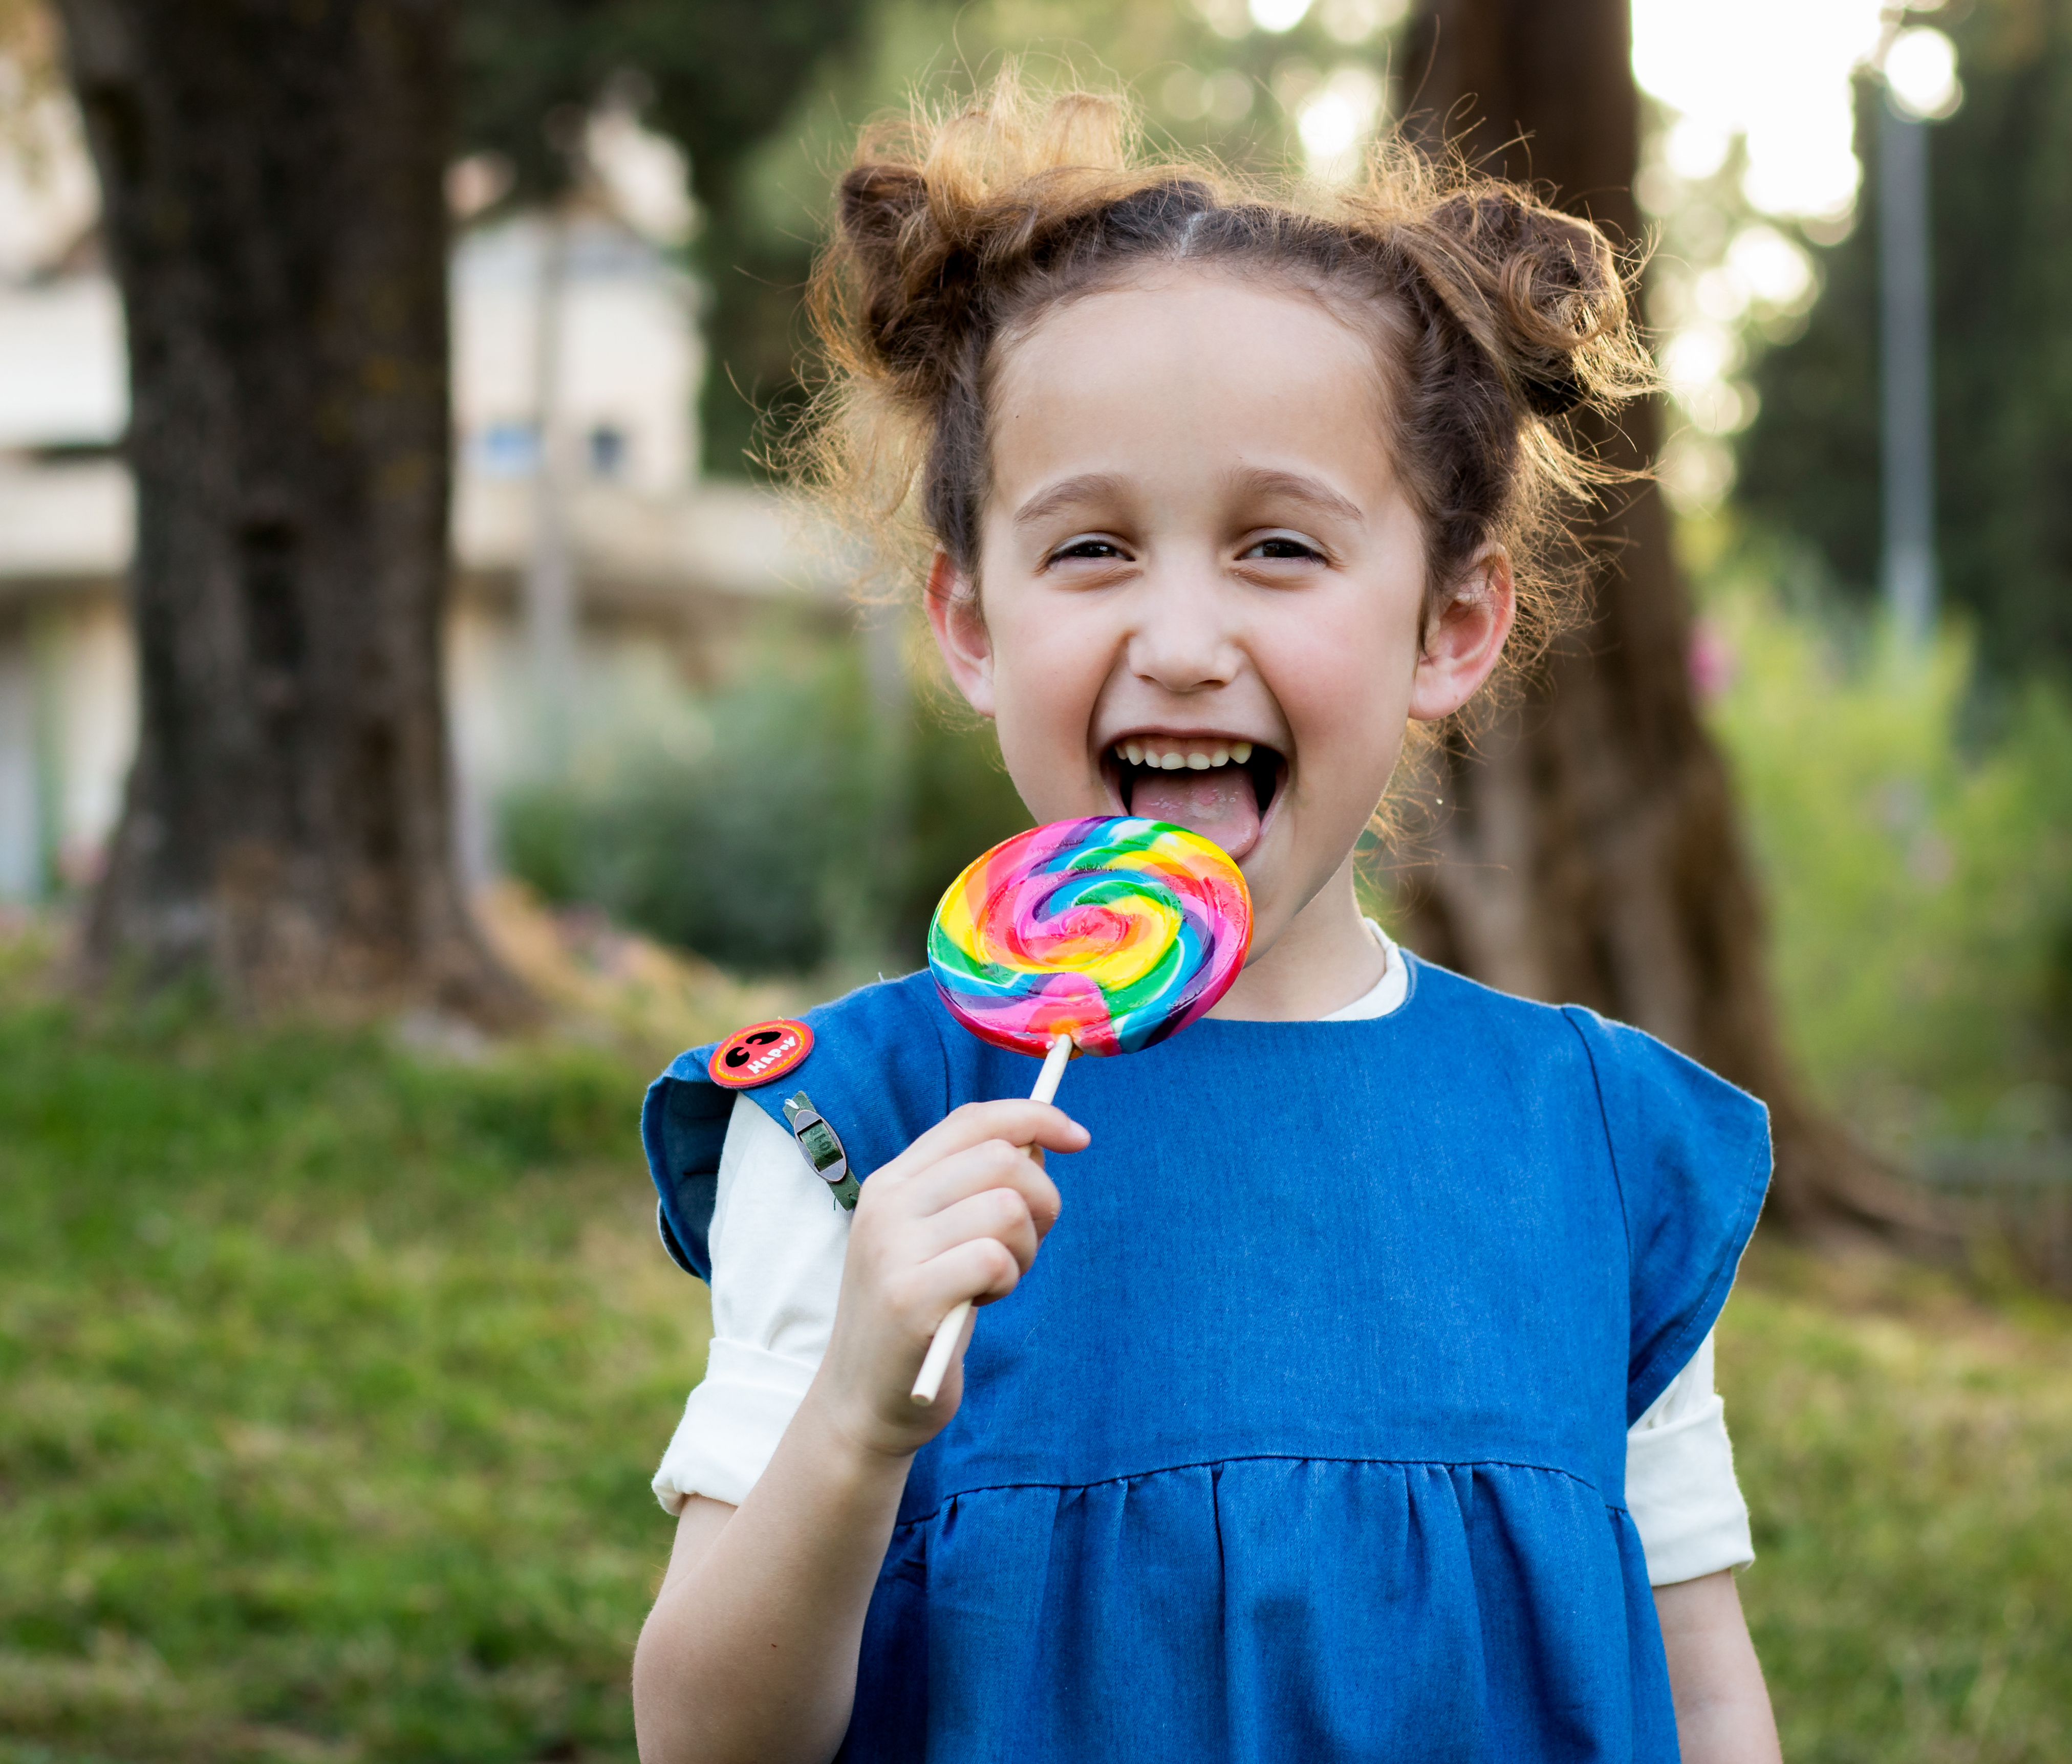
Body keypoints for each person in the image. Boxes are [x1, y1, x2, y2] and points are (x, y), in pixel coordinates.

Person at [631, 75, 1782, 1764]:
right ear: (968, 617)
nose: (1178, 636)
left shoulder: (1594, 1145)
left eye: (1276, 548)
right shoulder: (851, 1132)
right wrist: (854, 1425)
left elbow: (1701, 1693)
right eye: (1091, 546)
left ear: (1450, 625)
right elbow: (703, 1741)